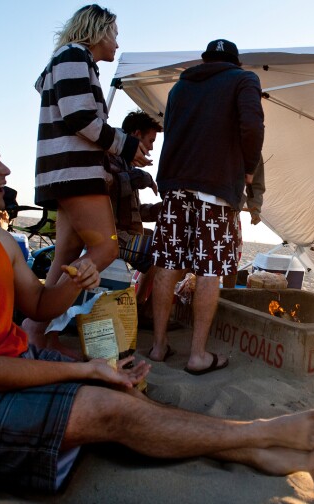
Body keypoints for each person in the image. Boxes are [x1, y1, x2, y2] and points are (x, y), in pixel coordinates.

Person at [0, 118, 314, 494]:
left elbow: (39, 307)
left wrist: (80, 277)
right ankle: (253, 438)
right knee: (107, 403)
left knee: (117, 386)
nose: (6, 170)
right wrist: (85, 368)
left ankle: (249, 448)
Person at [24, 4, 150, 351]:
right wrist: (126, 146)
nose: (117, 44)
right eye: (115, 35)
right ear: (98, 31)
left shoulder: (69, 61)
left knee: (66, 251)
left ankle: (39, 331)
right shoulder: (74, 57)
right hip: (74, 172)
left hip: (64, 172)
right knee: (106, 248)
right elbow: (80, 118)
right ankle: (34, 325)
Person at [149, 39, 265, 372]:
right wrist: (247, 168)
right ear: (235, 62)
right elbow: (253, 126)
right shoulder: (244, 80)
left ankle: (158, 347)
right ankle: (198, 355)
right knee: (209, 269)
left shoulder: (179, 88)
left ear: (205, 60)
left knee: (168, 263)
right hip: (215, 186)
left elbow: (170, 131)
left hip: (174, 185)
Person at [106, 110, 163, 321]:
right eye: (149, 141)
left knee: (164, 242)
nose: (151, 148)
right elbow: (112, 184)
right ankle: (144, 309)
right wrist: (143, 177)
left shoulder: (125, 164)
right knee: (166, 250)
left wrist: (161, 211)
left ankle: (141, 304)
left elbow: (135, 212)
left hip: (123, 233)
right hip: (111, 237)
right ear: (136, 135)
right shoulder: (110, 156)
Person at [222, 154, 265, 288]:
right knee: (193, 256)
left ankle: (228, 298)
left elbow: (255, 183)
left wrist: (255, 209)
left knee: (231, 260)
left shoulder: (252, 147)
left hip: (231, 209)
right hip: (198, 202)